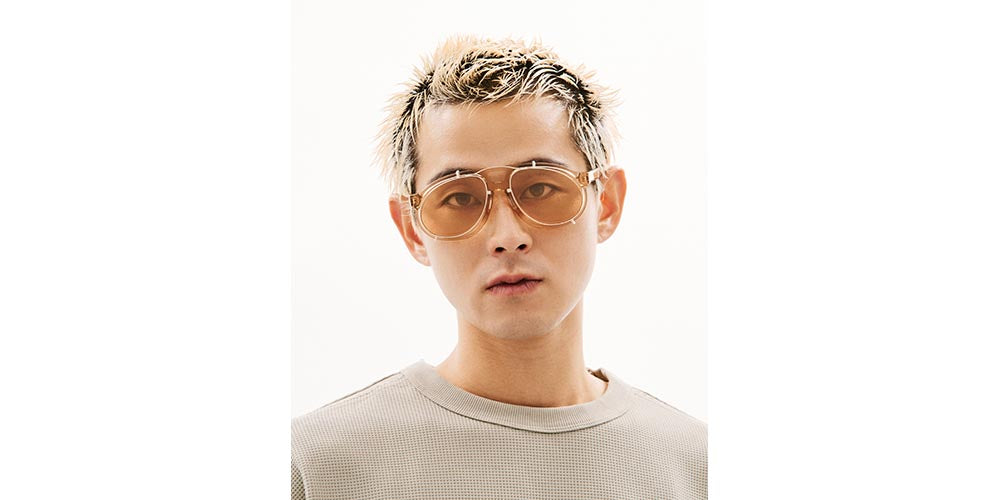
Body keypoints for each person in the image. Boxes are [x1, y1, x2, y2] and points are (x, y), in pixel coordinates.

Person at [292, 35, 707, 500]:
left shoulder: (699, 466)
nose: (507, 236)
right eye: (459, 197)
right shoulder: (315, 466)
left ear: (605, 203)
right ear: (412, 229)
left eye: (540, 188)